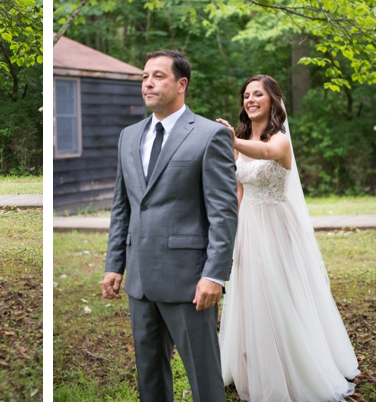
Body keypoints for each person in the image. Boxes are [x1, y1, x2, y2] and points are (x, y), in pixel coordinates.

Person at [102, 50, 238, 402]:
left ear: (182, 84)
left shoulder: (210, 136)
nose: (148, 82)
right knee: (149, 377)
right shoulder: (128, 137)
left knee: (204, 376)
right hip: (140, 283)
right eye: (145, 76)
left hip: (189, 281)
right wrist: (115, 264)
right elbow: (123, 206)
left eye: (158, 76)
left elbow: (223, 212)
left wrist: (215, 275)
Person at [214, 75, 361, 401]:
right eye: (246, 95)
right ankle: (253, 364)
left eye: (258, 95)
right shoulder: (240, 138)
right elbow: (239, 188)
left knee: (278, 294)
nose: (250, 100)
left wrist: (232, 142)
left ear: (272, 101)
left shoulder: (279, 140)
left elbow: (266, 152)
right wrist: (231, 232)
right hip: (248, 225)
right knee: (249, 292)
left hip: (276, 226)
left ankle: (290, 366)